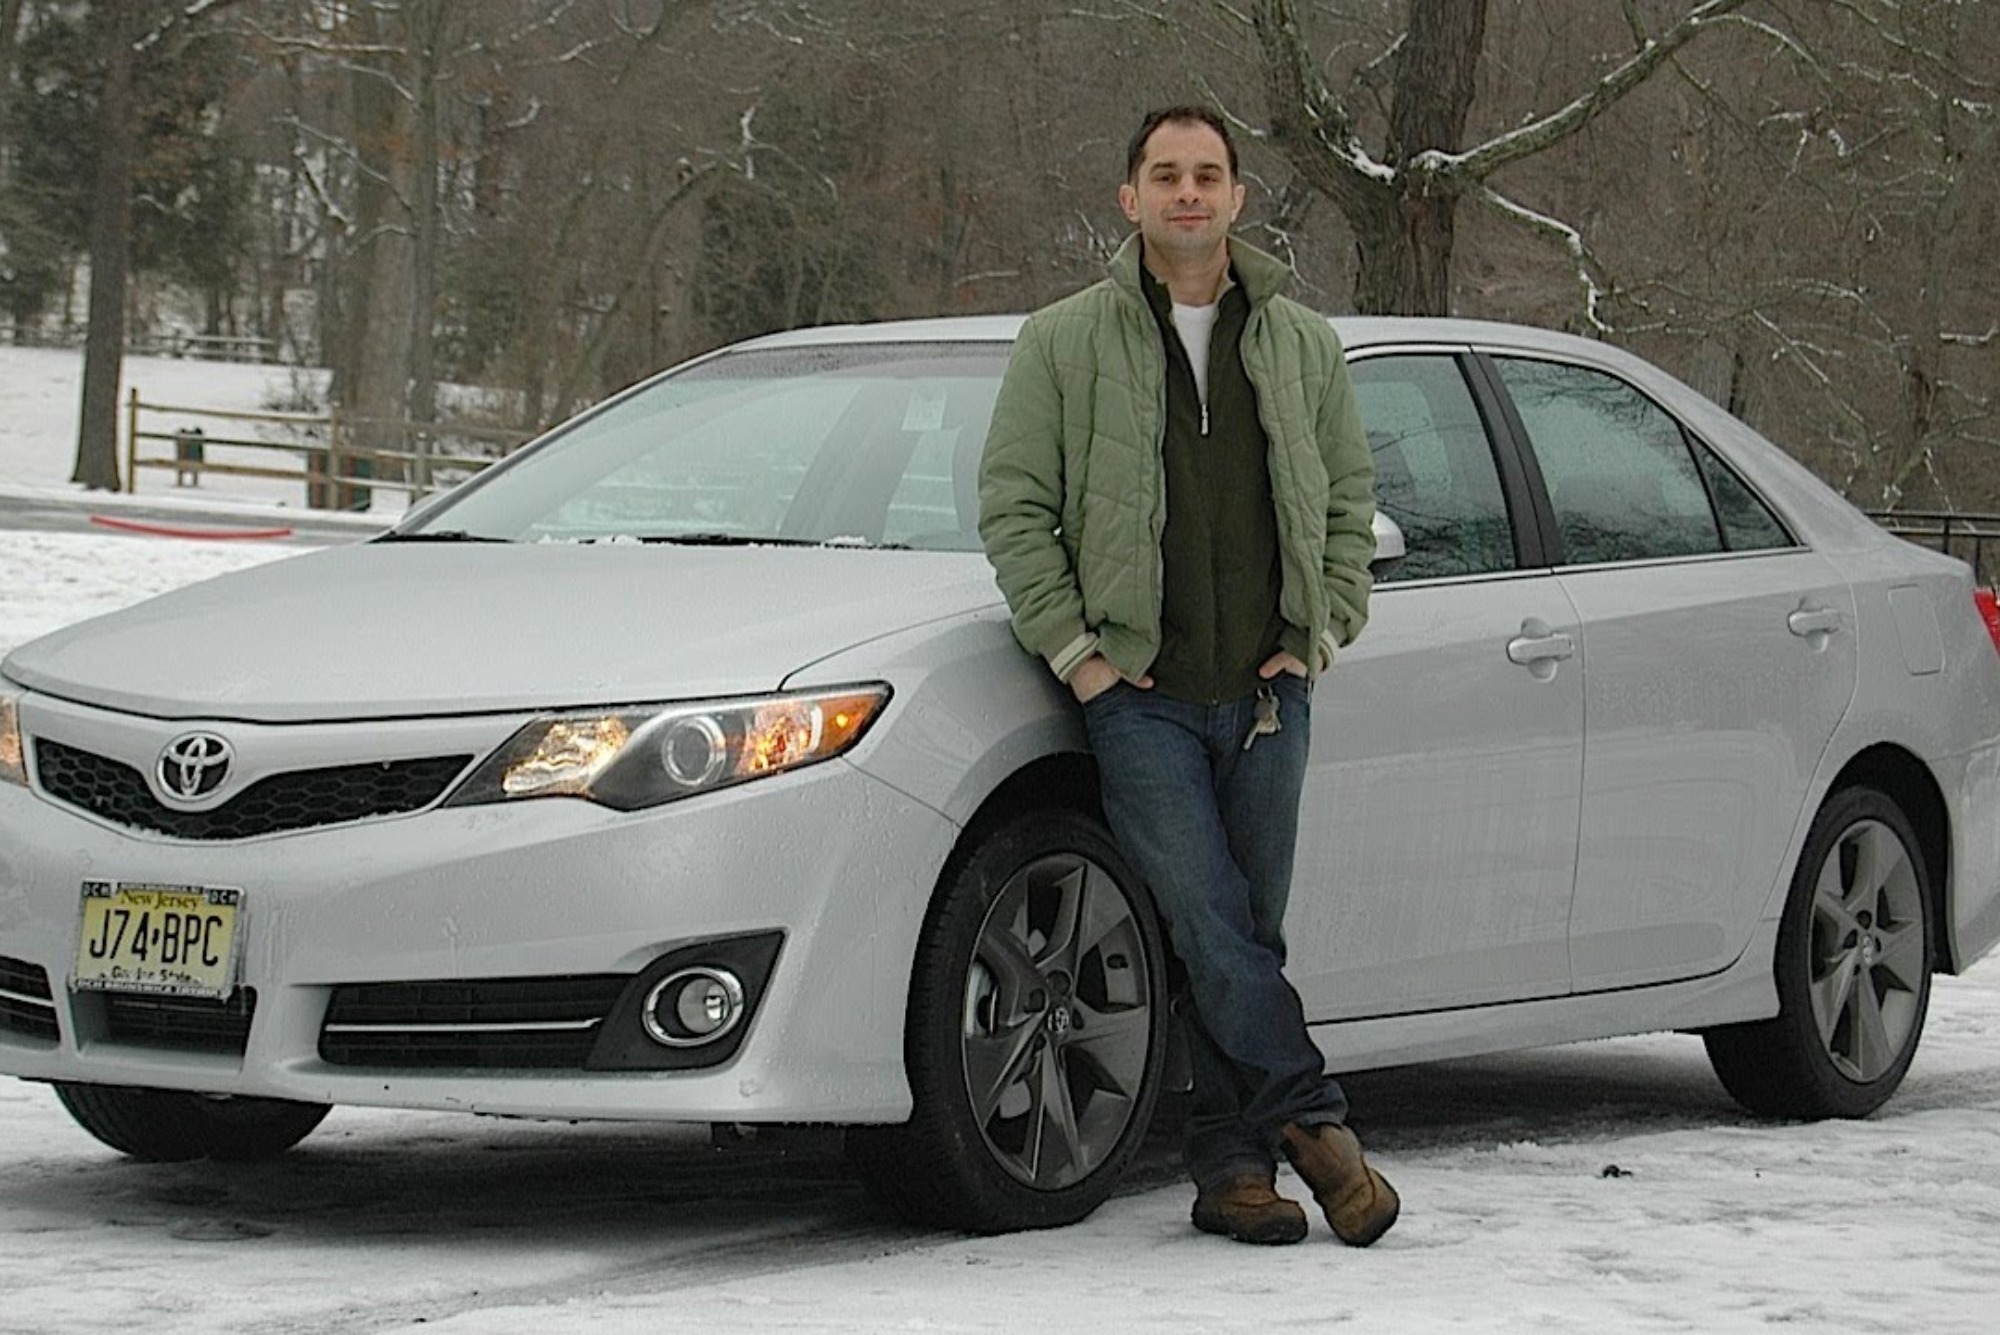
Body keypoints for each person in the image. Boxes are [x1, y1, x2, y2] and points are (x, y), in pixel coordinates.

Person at [977, 105, 1396, 1247]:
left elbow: (1349, 507)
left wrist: (1321, 629)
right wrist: (1082, 658)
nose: (1187, 193)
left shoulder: (1300, 343)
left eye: (1206, 174)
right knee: (1209, 922)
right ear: (1129, 198)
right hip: (1141, 698)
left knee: (1242, 936)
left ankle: (1231, 1174)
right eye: (1164, 175)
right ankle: (1314, 1120)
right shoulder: (1063, 340)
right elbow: (1013, 509)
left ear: (1235, 197)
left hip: (1268, 691)